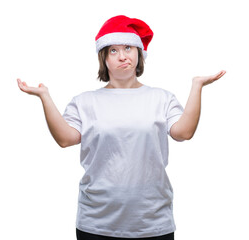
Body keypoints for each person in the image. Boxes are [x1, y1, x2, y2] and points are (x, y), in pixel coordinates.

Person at [17, 15, 226, 240]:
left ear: (139, 52)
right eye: (113, 51)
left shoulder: (161, 98)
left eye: (128, 47)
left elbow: (184, 132)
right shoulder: (85, 101)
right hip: (96, 222)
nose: (123, 56)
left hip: (152, 221)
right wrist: (45, 97)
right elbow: (65, 139)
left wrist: (197, 87)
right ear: (104, 59)